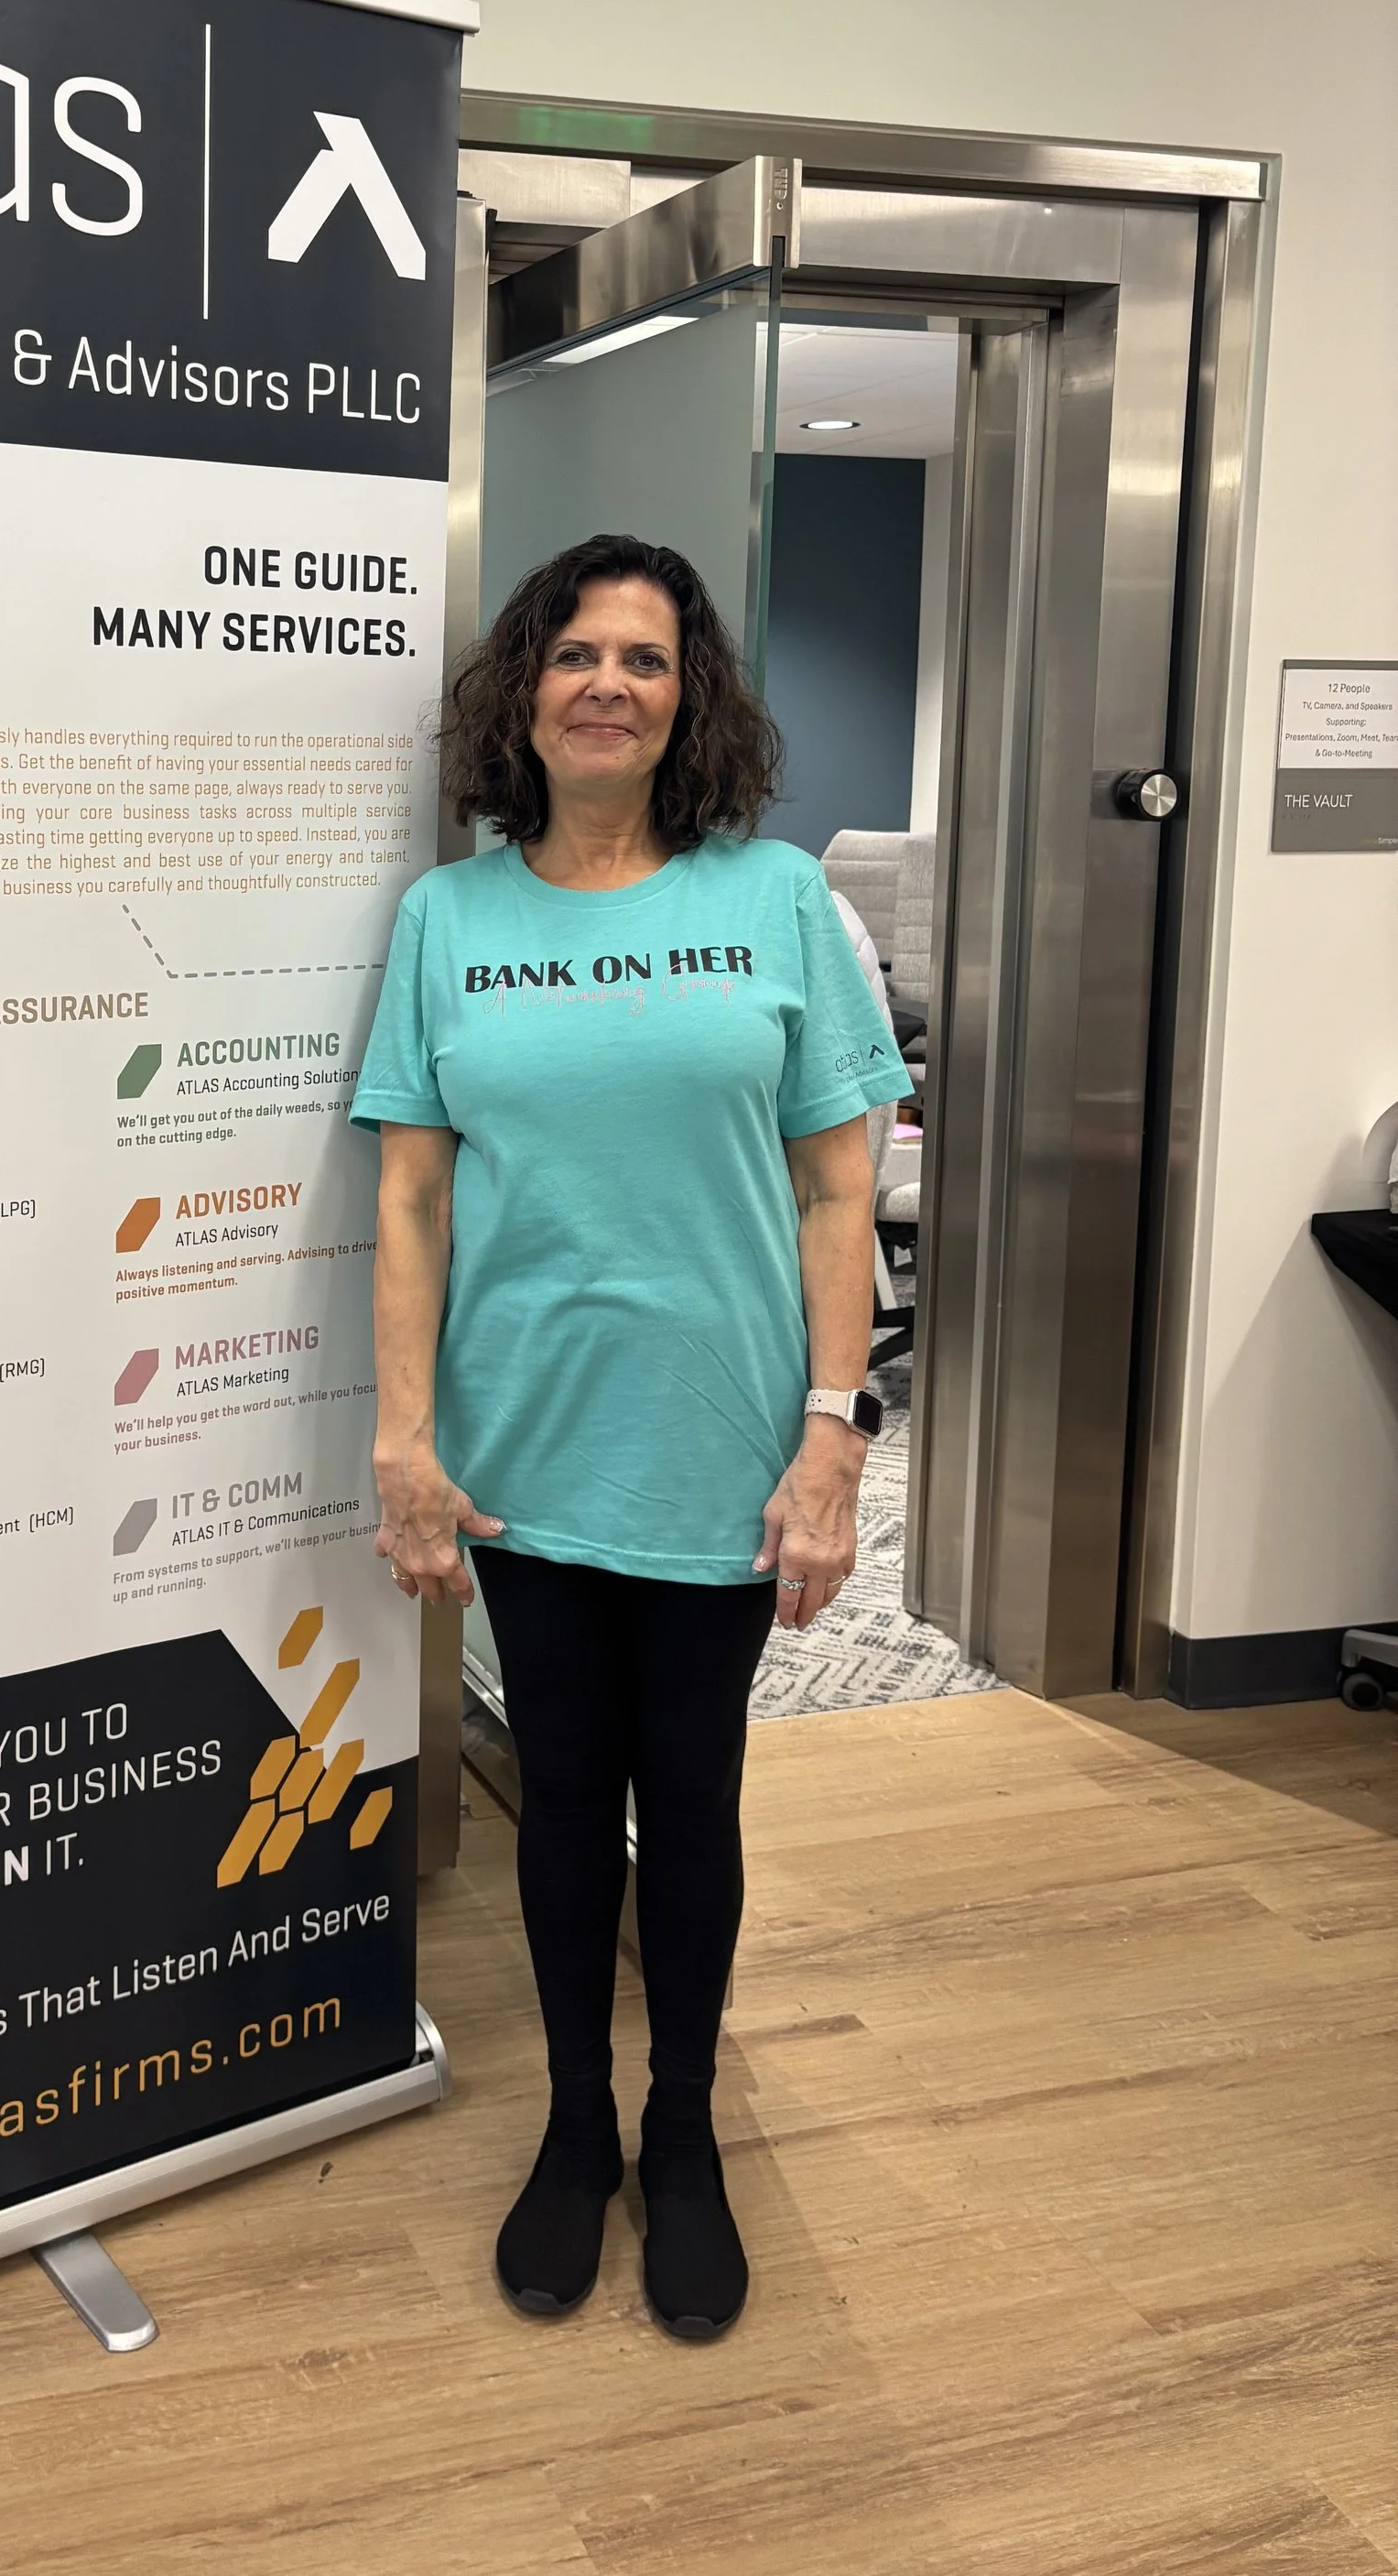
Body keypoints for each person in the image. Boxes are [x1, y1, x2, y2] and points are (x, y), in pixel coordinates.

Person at [352, 534, 910, 2341]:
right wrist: (404, 1440)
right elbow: (412, 1201)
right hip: (524, 1452)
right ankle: (576, 2123)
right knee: (564, 1798)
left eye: (646, 659)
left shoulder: (775, 903)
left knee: (692, 1795)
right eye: (576, 652)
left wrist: (831, 1436)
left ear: (691, 700)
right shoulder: (448, 921)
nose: (607, 683)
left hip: (717, 1446)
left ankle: (682, 2130)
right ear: (523, 690)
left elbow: (839, 1191)